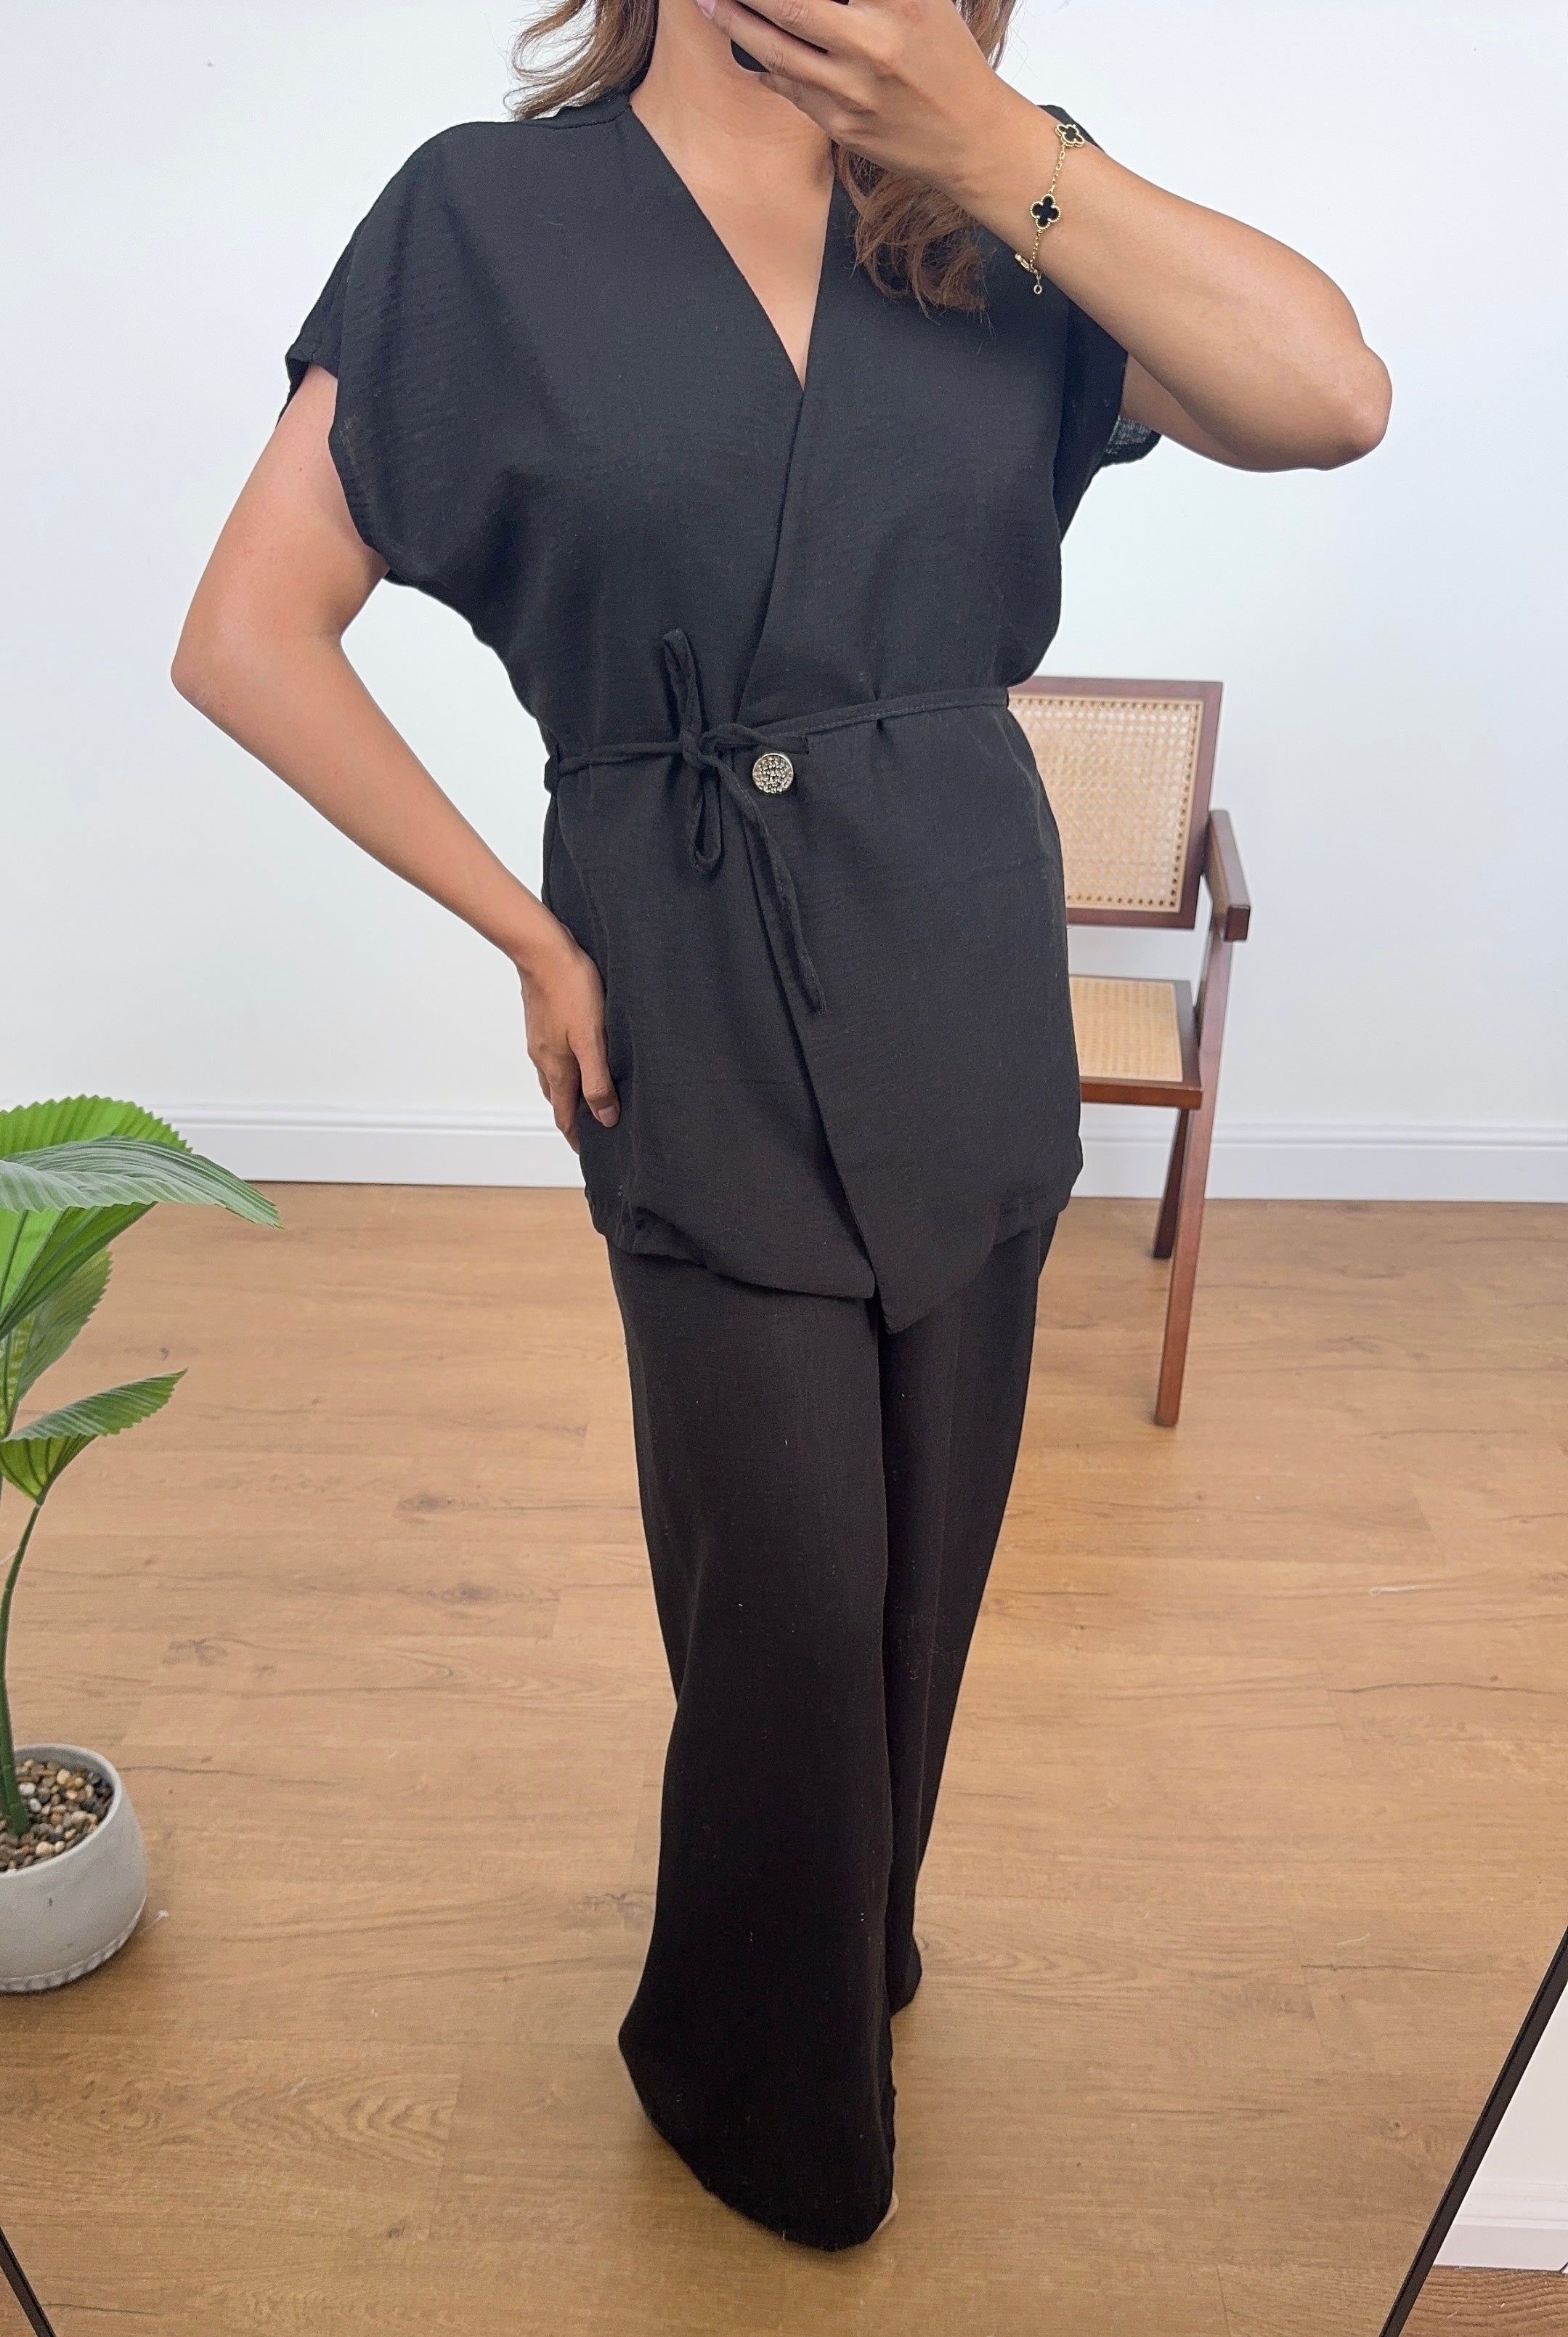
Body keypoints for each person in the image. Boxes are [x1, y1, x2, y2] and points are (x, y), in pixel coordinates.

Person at [172, 0, 1389, 2253]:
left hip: (959, 961)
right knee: (796, 1598)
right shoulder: (483, 222)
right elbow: (248, 632)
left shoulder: (998, 202)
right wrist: (527, 933)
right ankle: (747, 2078)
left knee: (926, 1563)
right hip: (684, 987)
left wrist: (991, 137)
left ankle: (855, 1932)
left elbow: (1332, 395)